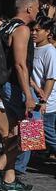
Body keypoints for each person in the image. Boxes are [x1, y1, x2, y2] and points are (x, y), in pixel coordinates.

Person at [0, 0, 39, 191]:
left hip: (5, 85)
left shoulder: (5, 26)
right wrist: (29, 95)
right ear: (29, 8)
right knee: (32, 133)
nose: (39, 11)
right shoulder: (22, 29)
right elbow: (20, 64)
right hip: (16, 88)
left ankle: (9, 177)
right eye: (37, 7)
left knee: (15, 132)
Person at [29, 16, 56, 159]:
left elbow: (51, 79)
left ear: (48, 32)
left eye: (37, 30)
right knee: (32, 131)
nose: (33, 33)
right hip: (32, 98)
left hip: (45, 102)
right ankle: (22, 164)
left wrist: (44, 101)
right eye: (32, 29)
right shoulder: (32, 48)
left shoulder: (50, 51)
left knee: (47, 132)